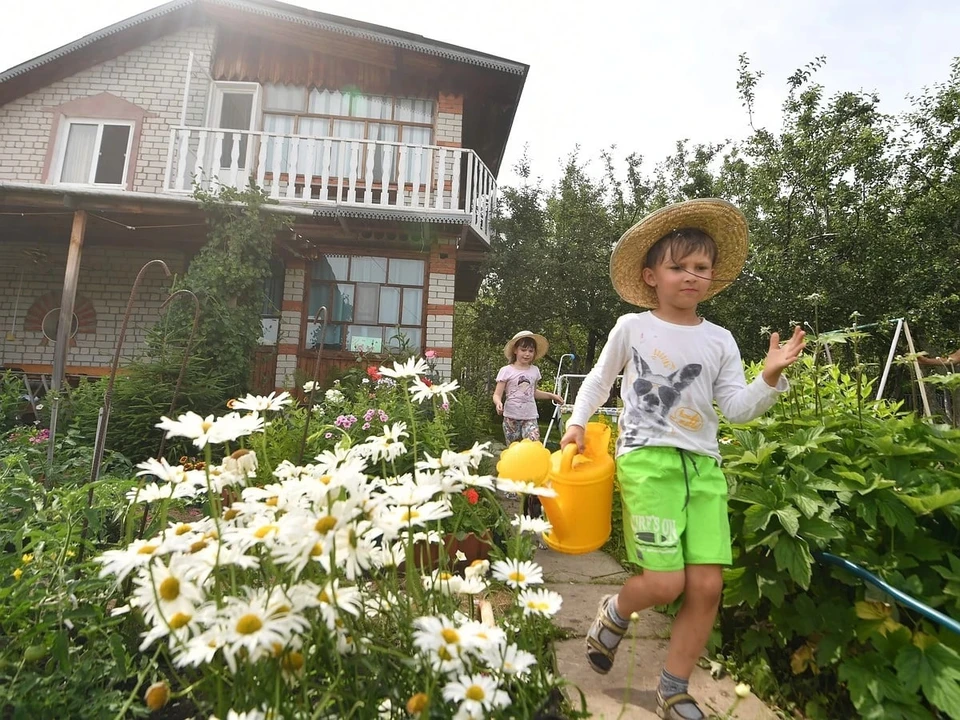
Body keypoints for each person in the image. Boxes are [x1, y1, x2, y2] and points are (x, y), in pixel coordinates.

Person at [559, 199, 805, 720]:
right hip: (647, 461)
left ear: (712, 279)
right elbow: (600, 382)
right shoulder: (631, 327)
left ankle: (673, 688)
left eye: (701, 268)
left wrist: (770, 377)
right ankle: (617, 607)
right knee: (666, 582)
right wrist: (578, 424)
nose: (690, 276)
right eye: (677, 266)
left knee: (707, 584)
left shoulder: (720, 340)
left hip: (704, 468)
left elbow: (736, 410)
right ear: (651, 276)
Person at [494, 330, 564, 517]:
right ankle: (510, 484)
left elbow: (533, 392)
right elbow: (497, 393)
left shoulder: (534, 371)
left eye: (530, 351)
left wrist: (551, 395)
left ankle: (533, 482)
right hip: (510, 416)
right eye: (523, 350)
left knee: (534, 446)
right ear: (515, 350)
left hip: (530, 416)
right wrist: (498, 402)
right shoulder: (506, 371)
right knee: (513, 452)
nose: (527, 354)